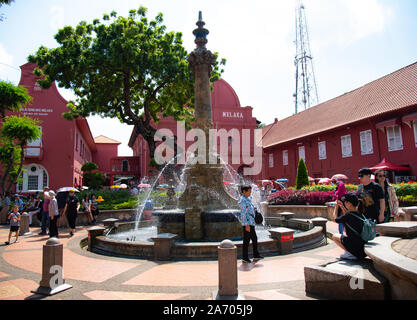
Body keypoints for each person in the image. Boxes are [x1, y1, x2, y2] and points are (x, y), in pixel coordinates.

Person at [331, 192, 367, 260]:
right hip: (363, 249)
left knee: (335, 236)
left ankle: (350, 254)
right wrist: (342, 206)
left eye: (345, 202)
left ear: (349, 204)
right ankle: (351, 253)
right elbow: (347, 216)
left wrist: (336, 207)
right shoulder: (360, 214)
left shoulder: (349, 216)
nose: (344, 203)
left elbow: (334, 219)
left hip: (356, 249)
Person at [238, 185, 263, 263]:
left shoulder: (247, 199)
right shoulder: (243, 200)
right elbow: (243, 213)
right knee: (247, 241)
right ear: (244, 191)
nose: (250, 193)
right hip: (248, 223)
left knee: (254, 239)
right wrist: (246, 225)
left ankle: (255, 255)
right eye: (249, 191)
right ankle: (245, 257)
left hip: (251, 222)